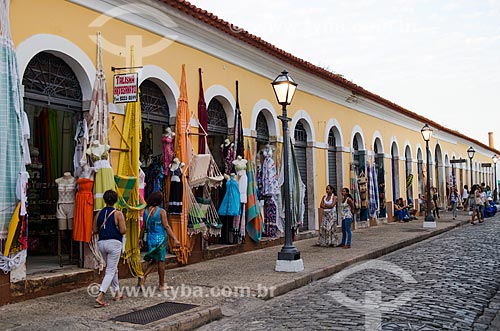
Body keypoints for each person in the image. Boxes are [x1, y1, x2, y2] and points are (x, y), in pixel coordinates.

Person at [139, 191, 180, 291]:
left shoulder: (145, 212)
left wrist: (140, 239)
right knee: (161, 261)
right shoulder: (161, 212)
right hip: (160, 239)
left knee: (154, 260)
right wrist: (175, 239)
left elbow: (143, 227)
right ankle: (161, 284)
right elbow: (166, 226)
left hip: (150, 239)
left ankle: (143, 277)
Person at [92, 190, 126, 307]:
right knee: (110, 270)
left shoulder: (99, 213)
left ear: (105, 200)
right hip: (114, 243)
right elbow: (123, 230)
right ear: (116, 200)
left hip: (102, 243)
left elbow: (95, 230)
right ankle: (100, 296)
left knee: (112, 268)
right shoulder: (118, 214)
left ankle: (117, 293)